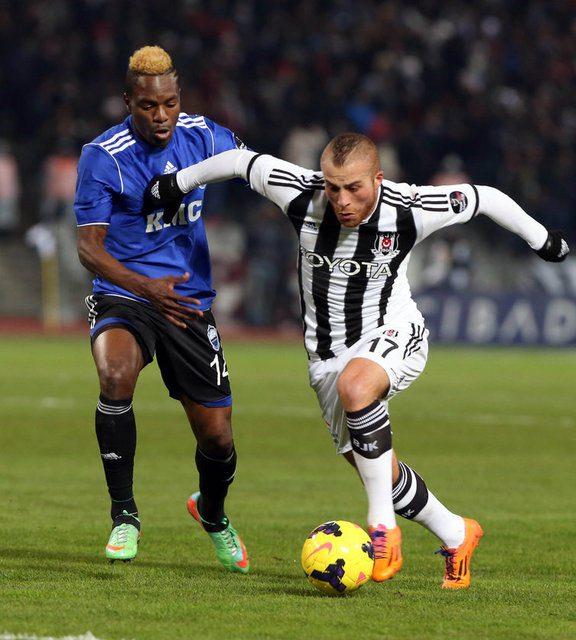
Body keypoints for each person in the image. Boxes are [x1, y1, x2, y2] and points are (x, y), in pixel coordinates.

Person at [144, 133, 570, 589]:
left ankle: (382, 529)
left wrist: (543, 239)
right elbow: (238, 161)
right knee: (378, 468)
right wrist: (175, 184)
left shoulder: (408, 207)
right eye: (333, 187)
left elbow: (484, 198)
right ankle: (456, 533)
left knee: (357, 388)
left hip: (394, 330)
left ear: (377, 179)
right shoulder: (300, 192)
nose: (342, 200)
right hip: (325, 357)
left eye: (354, 188)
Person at [74, 45, 249, 573]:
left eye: (170, 103)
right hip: (127, 293)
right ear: (128, 101)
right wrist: (144, 288)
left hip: (188, 301)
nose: (161, 116)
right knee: (115, 374)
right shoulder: (104, 156)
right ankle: (124, 515)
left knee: (217, 438)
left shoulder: (206, 136)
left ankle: (212, 512)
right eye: (149, 106)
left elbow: (251, 165)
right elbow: (89, 249)